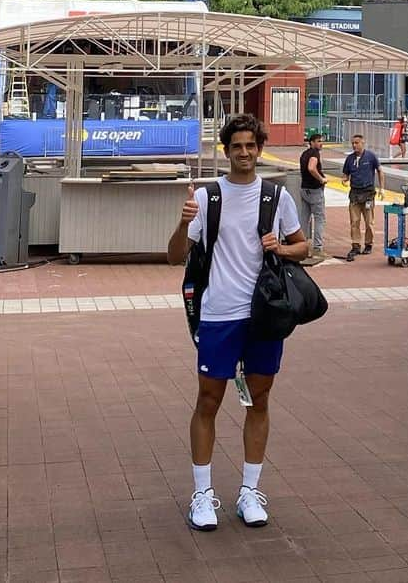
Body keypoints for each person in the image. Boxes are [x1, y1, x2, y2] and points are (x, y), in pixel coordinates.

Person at [167, 113, 307, 533]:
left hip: (263, 315)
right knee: (208, 401)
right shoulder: (208, 198)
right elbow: (174, 256)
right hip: (218, 313)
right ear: (225, 151)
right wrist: (182, 219)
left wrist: (281, 248)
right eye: (237, 146)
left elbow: (304, 247)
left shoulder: (276, 197)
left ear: (259, 149)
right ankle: (202, 495)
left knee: (258, 401)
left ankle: (249, 491)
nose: (244, 152)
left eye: (251, 145)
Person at [341, 133, 384, 258]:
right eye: (353, 143)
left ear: (363, 143)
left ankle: (368, 243)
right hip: (354, 194)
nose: (354, 145)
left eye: (357, 143)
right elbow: (345, 174)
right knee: (354, 221)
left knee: (369, 221)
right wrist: (344, 179)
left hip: (368, 193)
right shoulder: (349, 159)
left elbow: (380, 171)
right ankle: (355, 245)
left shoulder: (371, 157)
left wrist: (382, 189)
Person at [298, 131, 327, 262]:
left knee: (304, 219)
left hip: (304, 189)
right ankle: (317, 248)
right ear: (312, 142)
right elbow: (311, 168)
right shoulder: (314, 154)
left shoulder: (304, 154)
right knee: (320, 218)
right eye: (319, 141)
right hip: (315, 190)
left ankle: (301, 246)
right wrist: (321, 179)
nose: (321, 144)